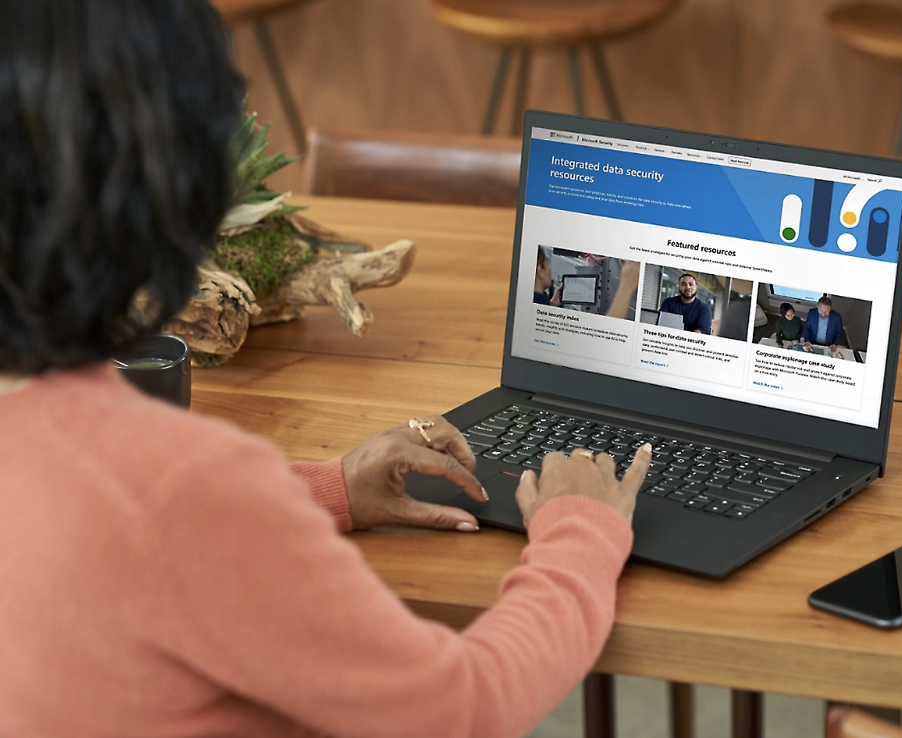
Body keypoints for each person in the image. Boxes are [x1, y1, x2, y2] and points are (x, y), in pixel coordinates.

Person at [0, 3, 653, 737]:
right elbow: (462, 710)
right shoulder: (183, 490)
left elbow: (120, 530)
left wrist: (326, 489)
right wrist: (582, 534)